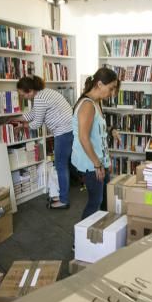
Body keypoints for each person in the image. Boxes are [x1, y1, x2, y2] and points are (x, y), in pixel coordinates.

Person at [14, 75, 74, 209]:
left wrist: (22, 126)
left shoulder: (40, 98)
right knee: (62, 165)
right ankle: (62, 195)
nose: (23, 98)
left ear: (29, 90)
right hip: (68, 130)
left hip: (63, 132)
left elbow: (36, 123)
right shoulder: (44, 93)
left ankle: (64, 200)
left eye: (23, 95)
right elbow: (33, 113)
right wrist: (14, 118)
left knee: (61, 166)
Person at [72, 68, 121, 219]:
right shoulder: (87, 105)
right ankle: (80, 240)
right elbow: (84, 138)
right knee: (95, 202)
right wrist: (97, 164)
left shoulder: (97, 102)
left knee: (104, 200)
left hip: (99, 160)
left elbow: (98, 132)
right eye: (111, 88)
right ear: (99, 84)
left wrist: (111, 131)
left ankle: (100, 235)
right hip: (91, 163)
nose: (112, 93)